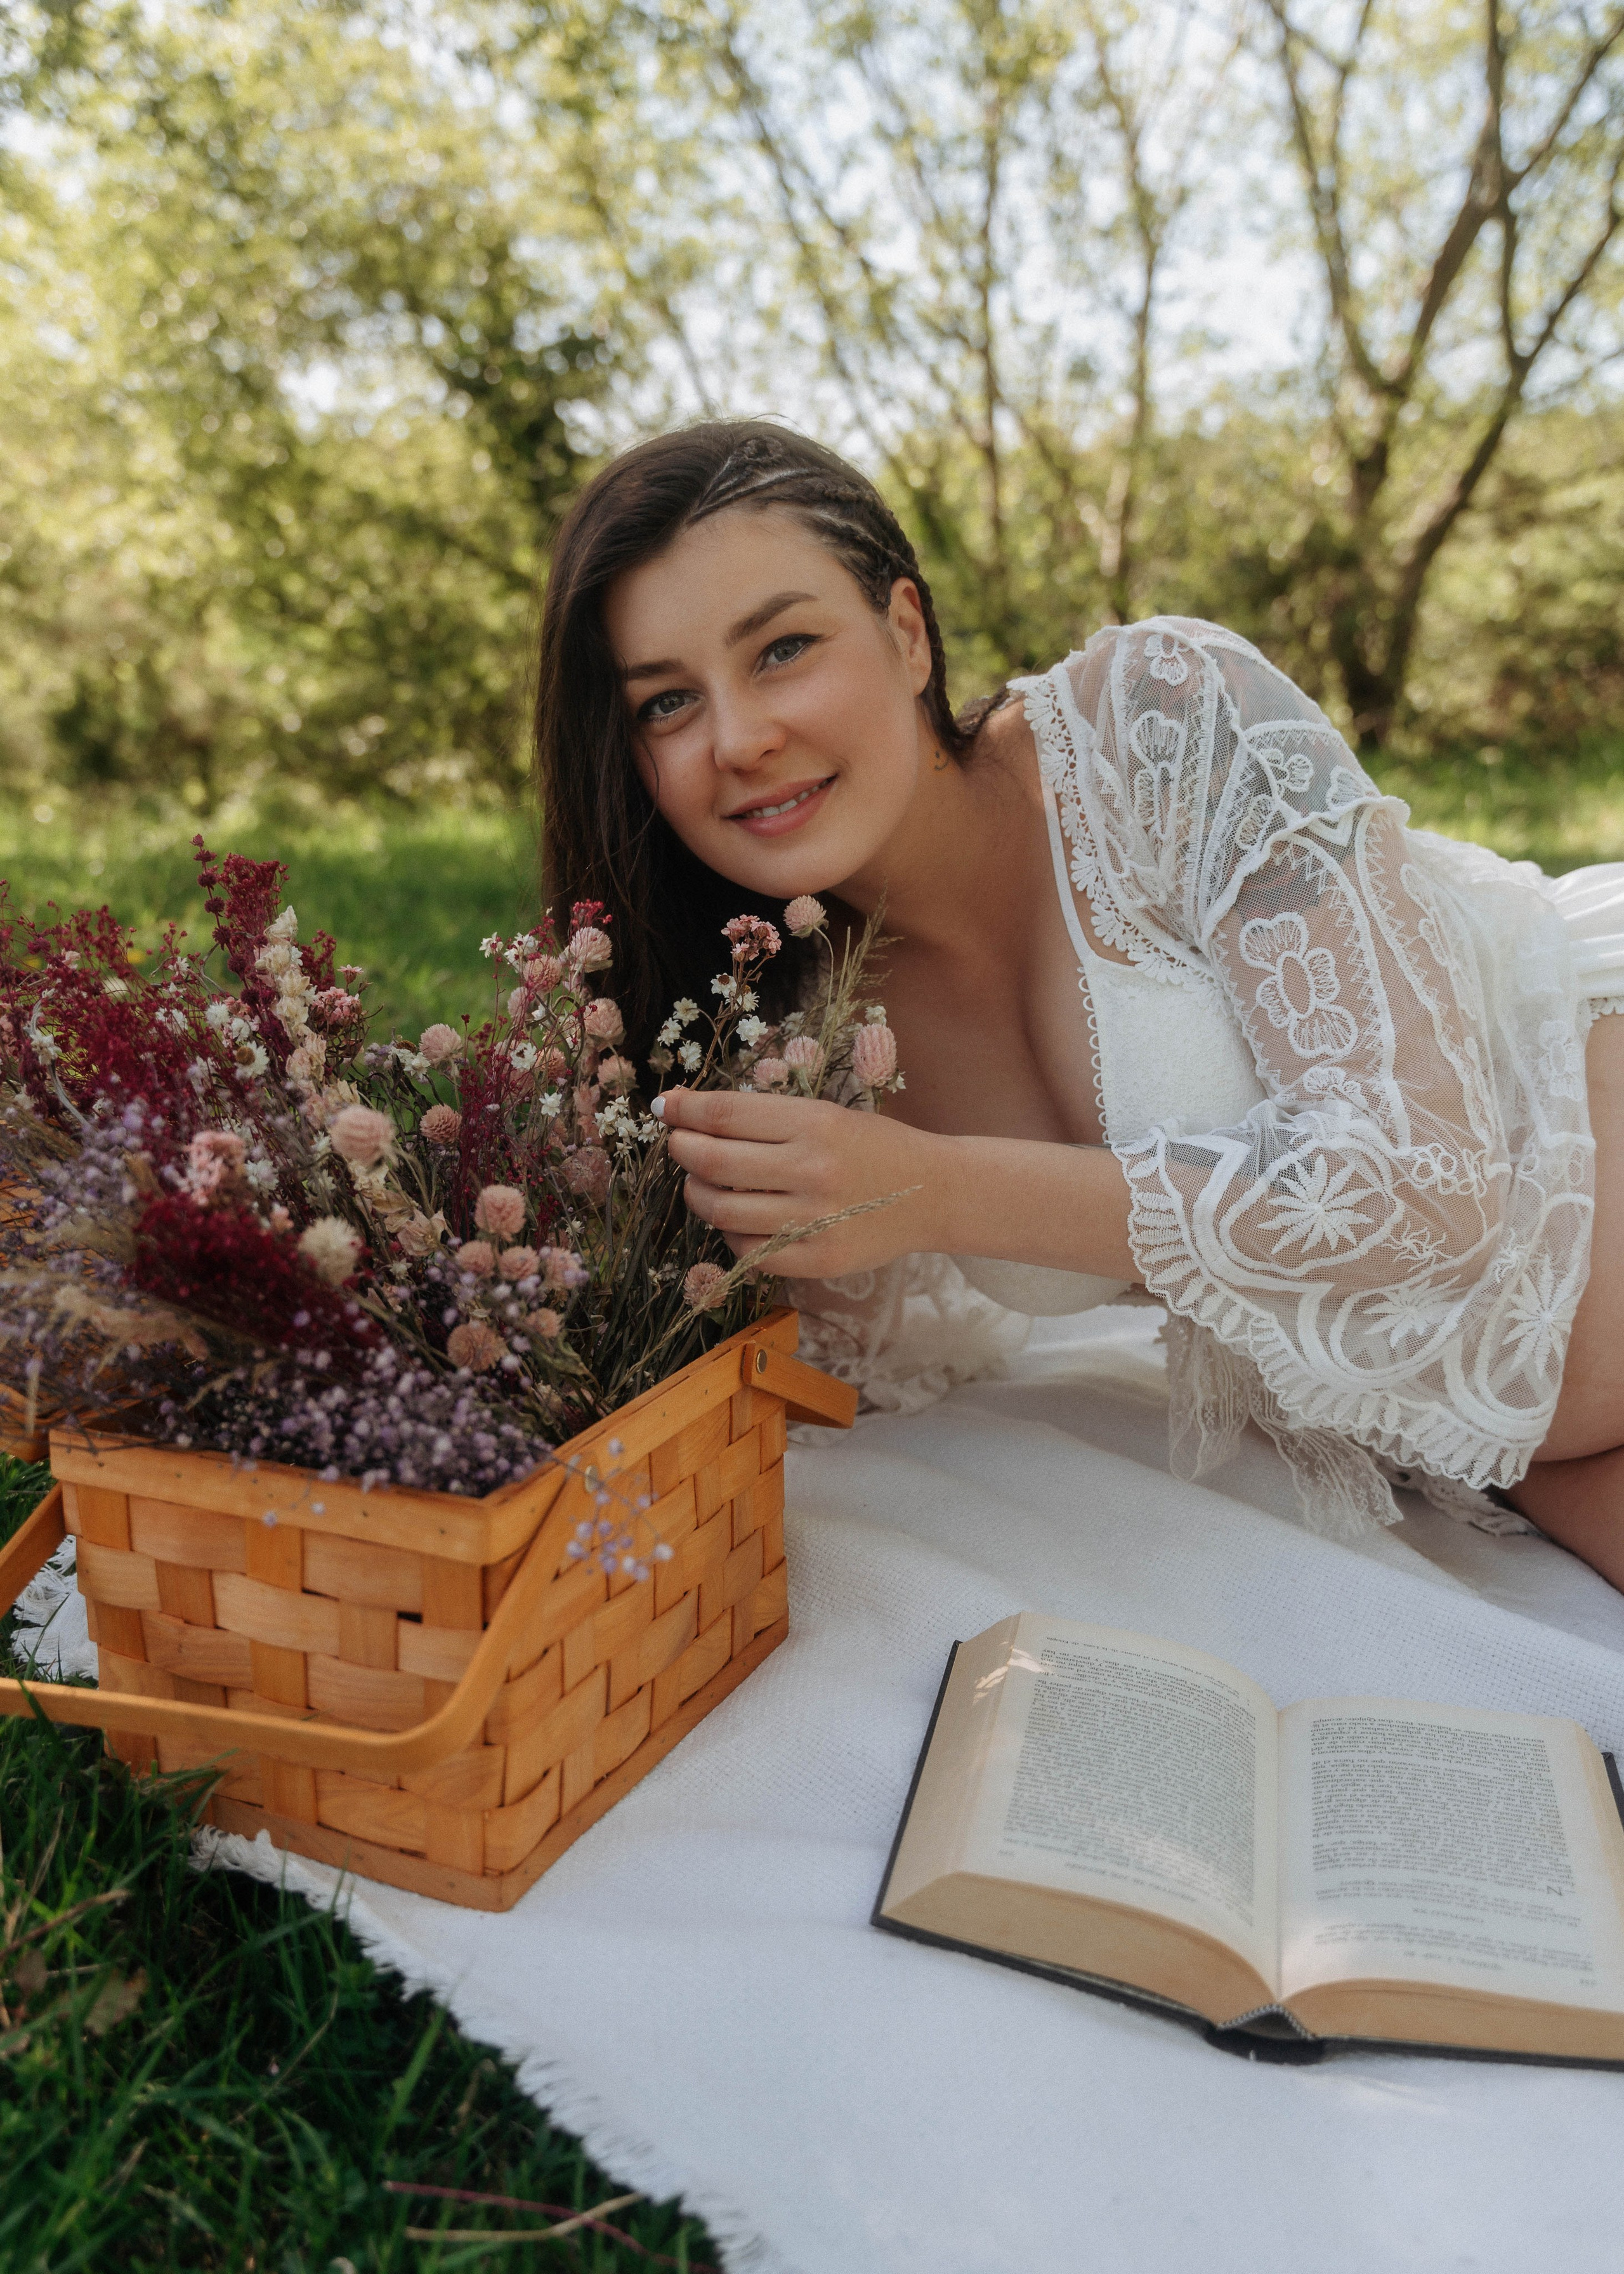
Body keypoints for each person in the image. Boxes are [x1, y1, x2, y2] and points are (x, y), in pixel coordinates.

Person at [534, 418, 1624, 1588]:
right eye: (665, 704)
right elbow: (809, 1374)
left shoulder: (1152, 724)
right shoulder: (779, 1039)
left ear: (907, 634)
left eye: (784, 648)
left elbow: (1427, 1185)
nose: (740, 740)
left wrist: (939, 1190)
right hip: (1497, 1448)